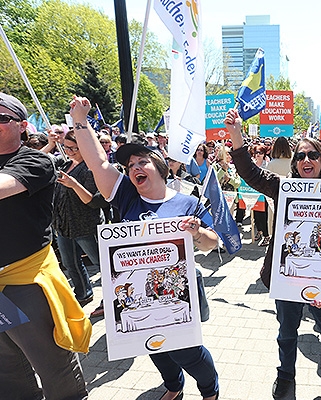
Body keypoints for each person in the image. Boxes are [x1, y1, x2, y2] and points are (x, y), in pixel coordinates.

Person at [69, 96, 220, 400]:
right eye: (130, 165)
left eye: (142, 162)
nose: (134, 167)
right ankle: (174, 386)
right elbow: (98, 162)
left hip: (176, 294)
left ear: (160, 167)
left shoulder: (187, 202)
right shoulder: (126, 194)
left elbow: (211, 244)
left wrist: (196, 232)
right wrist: (80, 122)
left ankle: (210, 390)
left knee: (188, 352)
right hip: (138, 294)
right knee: (153, 346)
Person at [224, 108, 321, 400]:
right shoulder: (284, 188)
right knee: (287, 332)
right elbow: (251, 173)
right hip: (289, 277)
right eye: (300, 156)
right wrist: (236, 135)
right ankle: (285, 376)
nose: (306, 160)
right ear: (295, 163)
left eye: (313, 155)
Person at [0, 92, 91, 399]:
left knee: (52, 364)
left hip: (26, 283)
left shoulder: (35, 160)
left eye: (1, 118)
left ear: (22, 125)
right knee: (7, 367)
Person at [50, 130, 107, 307]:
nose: (69, 151)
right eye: (66, 147)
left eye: (74, 148)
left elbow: (94, 201)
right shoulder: (66, 164)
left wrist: (74, 185)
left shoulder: (91, 168)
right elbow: (40, 160)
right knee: (70, 263)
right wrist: (51, 144)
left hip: (86, 226)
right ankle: (83, 293)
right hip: (64, 224)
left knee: (102, 264)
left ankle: (111, 297)